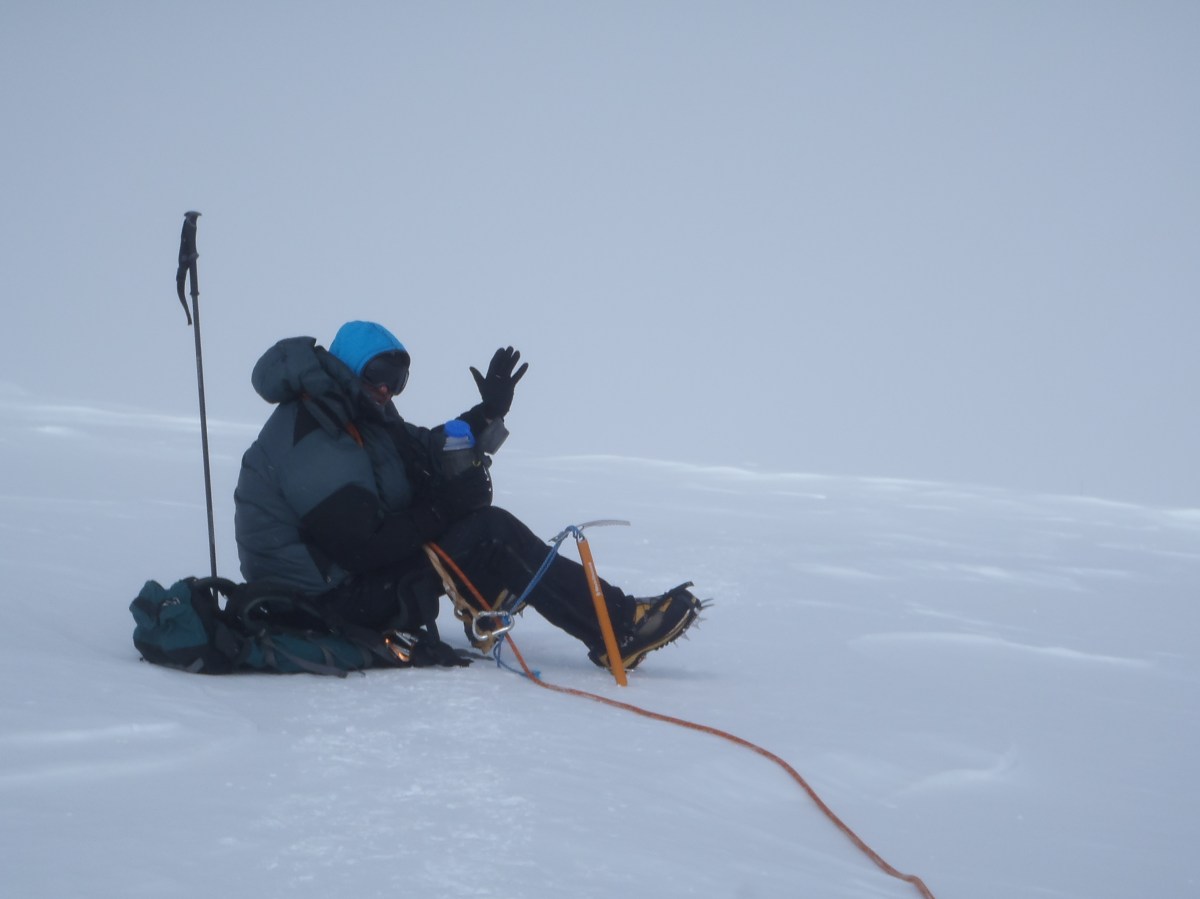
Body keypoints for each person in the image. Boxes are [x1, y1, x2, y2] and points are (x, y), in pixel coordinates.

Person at [233, 320, 703, 671]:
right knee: (489, 532)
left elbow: (425, 451)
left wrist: (488, 412)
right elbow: (362, 546)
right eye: (378, 375)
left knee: (461, 508)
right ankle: (619, 628)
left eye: (398, 379)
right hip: (318, 605)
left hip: (342, 583)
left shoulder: (356, 413)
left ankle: (489, 591)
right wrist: (447, 506)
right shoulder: (311, 431)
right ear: (348, 370)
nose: (387, 389)